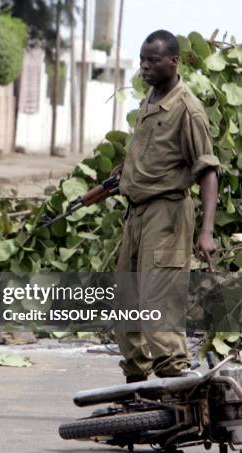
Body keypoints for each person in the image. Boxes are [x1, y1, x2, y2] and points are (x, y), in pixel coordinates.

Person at [114, 30, 219, 383]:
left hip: (167, 214)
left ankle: (177, 384)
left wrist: (206, 233)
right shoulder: (150, 97)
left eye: (153, 60)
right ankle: (136, 385)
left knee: (157, 301)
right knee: (126, 299)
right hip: (137, 213)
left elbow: (207, 171)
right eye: (142, 60)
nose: (144, 67)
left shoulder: (187, 109)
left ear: (173, 61)